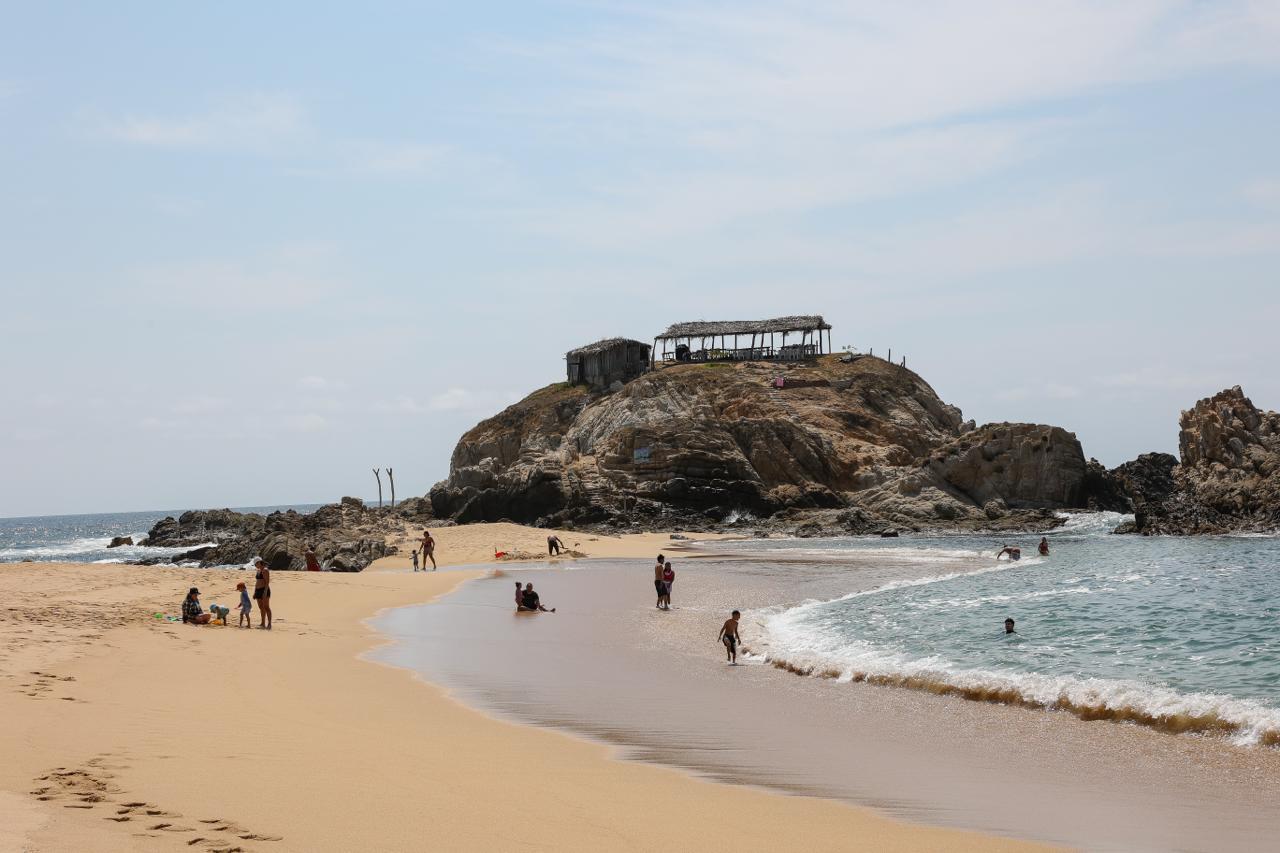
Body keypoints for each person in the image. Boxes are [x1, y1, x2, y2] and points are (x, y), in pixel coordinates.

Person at [253, 558, 273, 630]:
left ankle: (269, 624)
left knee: (266, 607)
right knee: (261, 607)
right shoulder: (258, 571)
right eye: (255, 564)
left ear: (259, 562)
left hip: (264, 590)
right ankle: (262, 623)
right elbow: (257, 582)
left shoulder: (265, 570)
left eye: (256, 564)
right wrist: (255, 592)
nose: (255, 566)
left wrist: (265, 592)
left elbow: (267, 582)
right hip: (258, 590)